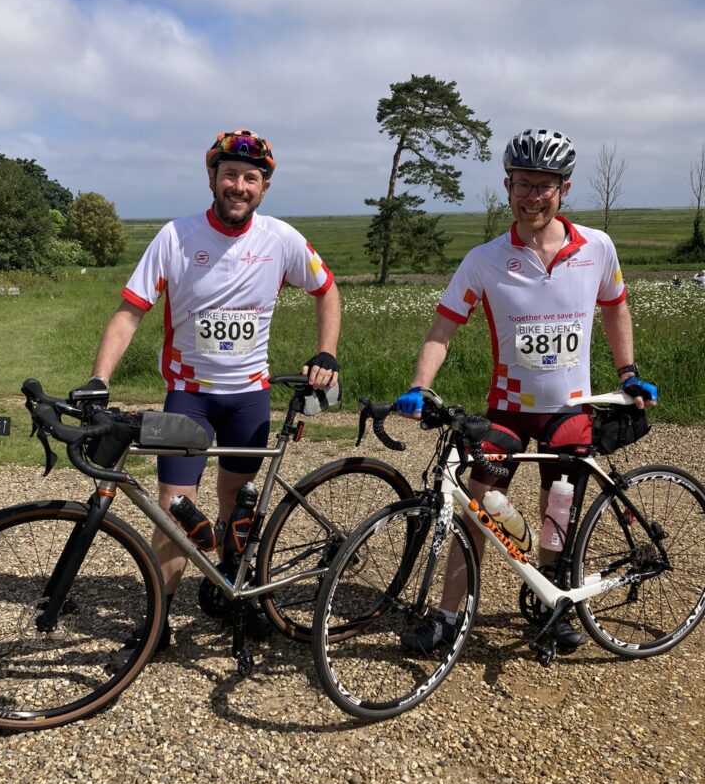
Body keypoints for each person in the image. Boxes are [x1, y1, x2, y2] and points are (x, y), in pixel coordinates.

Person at [78, 128, 341, 654]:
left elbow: (327, 289)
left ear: (263, 187)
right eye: (229, 175)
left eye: (251, 178)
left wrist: (327, 352)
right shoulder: (176, 237)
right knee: (175, 508)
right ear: (212, 179)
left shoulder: (281, 239)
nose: (239, 186)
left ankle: (230, 591)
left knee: (236, 504)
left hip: (249, 396)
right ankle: (159, 619)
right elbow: (130, 312)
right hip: (189, 395)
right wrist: (99, 379)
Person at [395, 127, 657, 654]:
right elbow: (442, 327)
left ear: (563, 188)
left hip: (571, 408)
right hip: (510, 411)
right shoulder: (486, 258)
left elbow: (616, 307)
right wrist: (420, 386)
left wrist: (627, 371)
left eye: (544, 185)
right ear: (507, 185)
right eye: (522, 184)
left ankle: (551, 600)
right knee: (476, 507)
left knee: (557, 511)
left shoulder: (597, 248)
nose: (531, 196)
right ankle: (448, 617)